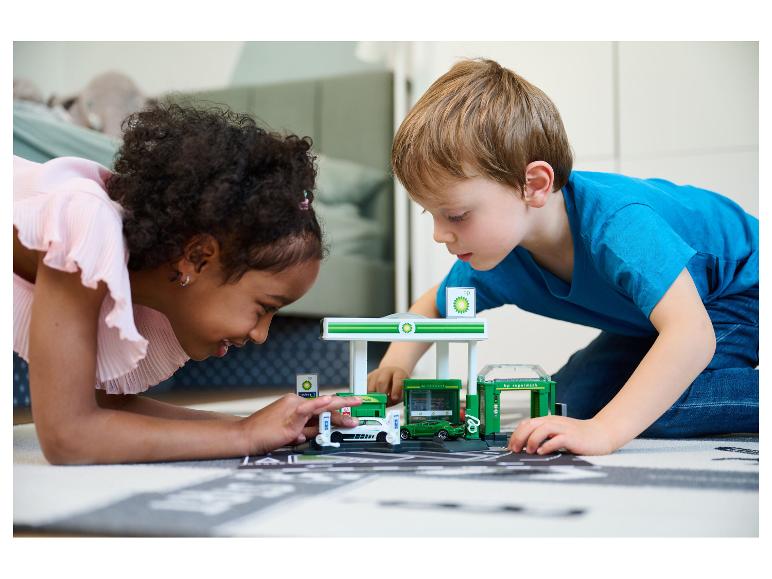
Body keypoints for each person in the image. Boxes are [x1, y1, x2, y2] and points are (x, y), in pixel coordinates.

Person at [368, 58, 758, 455]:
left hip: (742, 290)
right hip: (663, 319)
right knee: (569, 401)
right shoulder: (496, 253)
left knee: (656, 406)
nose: (438, 234)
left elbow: (691, 336)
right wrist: (396, 363)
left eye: (455, 215)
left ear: (533, 185)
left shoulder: (618, 226)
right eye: (430, 214)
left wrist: (604, 433)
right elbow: (436, 305)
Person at [13, 102, 360, 465]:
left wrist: (261, 425)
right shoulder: (87, 221)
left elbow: (100, 405)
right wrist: (243, 435)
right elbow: (68, 436)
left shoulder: (125, 261)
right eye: (264, 308)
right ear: (197, 257)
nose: (260, 335)